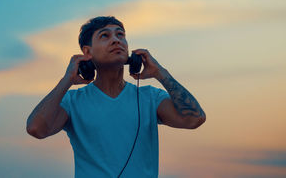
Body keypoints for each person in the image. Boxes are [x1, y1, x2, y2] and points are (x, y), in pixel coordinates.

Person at [26, 16, 206, 178]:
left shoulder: (150, 97)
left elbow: (194, 119)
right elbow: (36, 129)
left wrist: (161, 73)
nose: (116, 40)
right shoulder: (72, 101)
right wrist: (66, 81)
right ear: (87, 53)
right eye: (105, 36)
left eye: (120, 35)